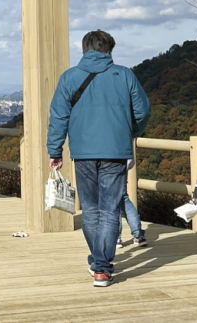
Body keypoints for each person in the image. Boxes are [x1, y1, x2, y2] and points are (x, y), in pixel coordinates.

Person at [46, 30, 150, 287]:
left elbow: (58, 116)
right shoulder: (124, 75)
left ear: (84, 49)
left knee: (91, 210)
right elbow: (143, 111)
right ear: (109, 49)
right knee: (110, 210)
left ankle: (98, 263)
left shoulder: (69, 77)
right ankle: (102, 267)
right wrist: (129, 132)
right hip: (115, 152)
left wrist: (55, 151)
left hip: (83, 153)